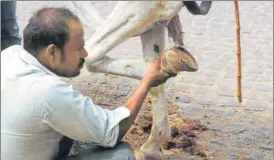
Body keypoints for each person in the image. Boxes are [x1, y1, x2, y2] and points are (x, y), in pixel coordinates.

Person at [1, 7, 175, 160]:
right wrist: (146, 83)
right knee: (121, 154)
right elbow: (113, 131)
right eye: (78, 48)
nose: (85, 54)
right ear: (52, 51)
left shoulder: (9, 54)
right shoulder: (48, 92)